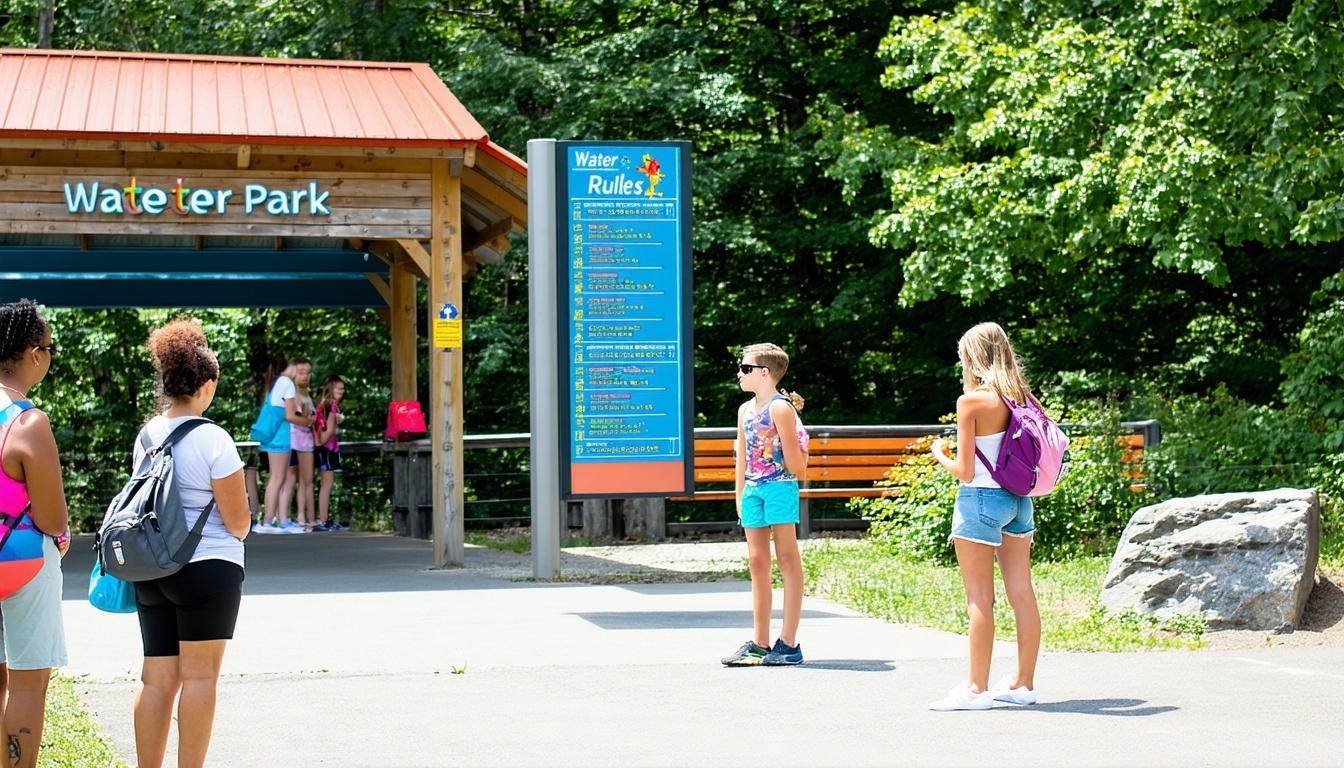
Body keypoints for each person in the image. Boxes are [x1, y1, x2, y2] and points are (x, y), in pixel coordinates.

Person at [133, 318, 250, 768]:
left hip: (152, 568)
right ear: (208, 384)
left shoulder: (147, 436)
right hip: (207, 568)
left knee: (157, 680)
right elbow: (236, 521)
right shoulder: (214, 438)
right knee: (201, 678)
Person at [927, 321, 1041, 711]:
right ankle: (1023, 685)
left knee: (979, 598)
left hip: (979, 500)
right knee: (1022, 594)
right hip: (1019, 501)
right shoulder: (1022, 398)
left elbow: (963, 469)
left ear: (972, 357)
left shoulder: (971, 402)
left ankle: (976, 689)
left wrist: (939, 452)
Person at [0, 299, 69, 768]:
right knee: (27, 682)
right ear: (33, 354)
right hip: (21, 561)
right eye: (49, 347)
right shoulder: (28, 422)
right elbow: (52, 519)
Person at [720, 343, 809, 667]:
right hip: (753, 491)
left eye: (745, 369)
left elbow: (798, 466)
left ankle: (788, 642)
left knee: (787, 558)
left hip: (779, 488)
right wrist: (739, 495)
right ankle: (759, 642)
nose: (740, 374)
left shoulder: (780, 408)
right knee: (758, 562)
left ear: (764, 373)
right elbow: (741, 456)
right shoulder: (745, 410)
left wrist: (779, 451)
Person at [255, 358, 313, 534]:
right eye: (301, 371)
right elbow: (289, 415)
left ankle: (281, 520)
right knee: (278, 478)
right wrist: (307, 421)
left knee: (278, 478)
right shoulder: (287, 383)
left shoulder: (278, 381)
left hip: (274, 436)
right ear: (293, 369)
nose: (304, 376)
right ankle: (267, 522)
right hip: (280, 437)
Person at [312, 375, 348, 531]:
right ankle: (324, 519)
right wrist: (321, 442)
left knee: (325, 484)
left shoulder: (322, 405)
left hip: (325, 447)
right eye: (338, 388)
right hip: (328, 448)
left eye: (342, 388)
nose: (341, 391)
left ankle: (324, 518)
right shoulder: (331, 405)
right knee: (327, 484)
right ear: (330, 389)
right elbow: (329, 428)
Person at [288, 375, 317, 531]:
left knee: (307, 481)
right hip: (295, 440)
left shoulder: (307, 397)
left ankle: (309, 518)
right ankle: (297, 517)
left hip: (306, 440)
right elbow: (301, 417)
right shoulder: (292, 398)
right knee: (293, 479)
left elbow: (312, 416)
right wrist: (308, 417)